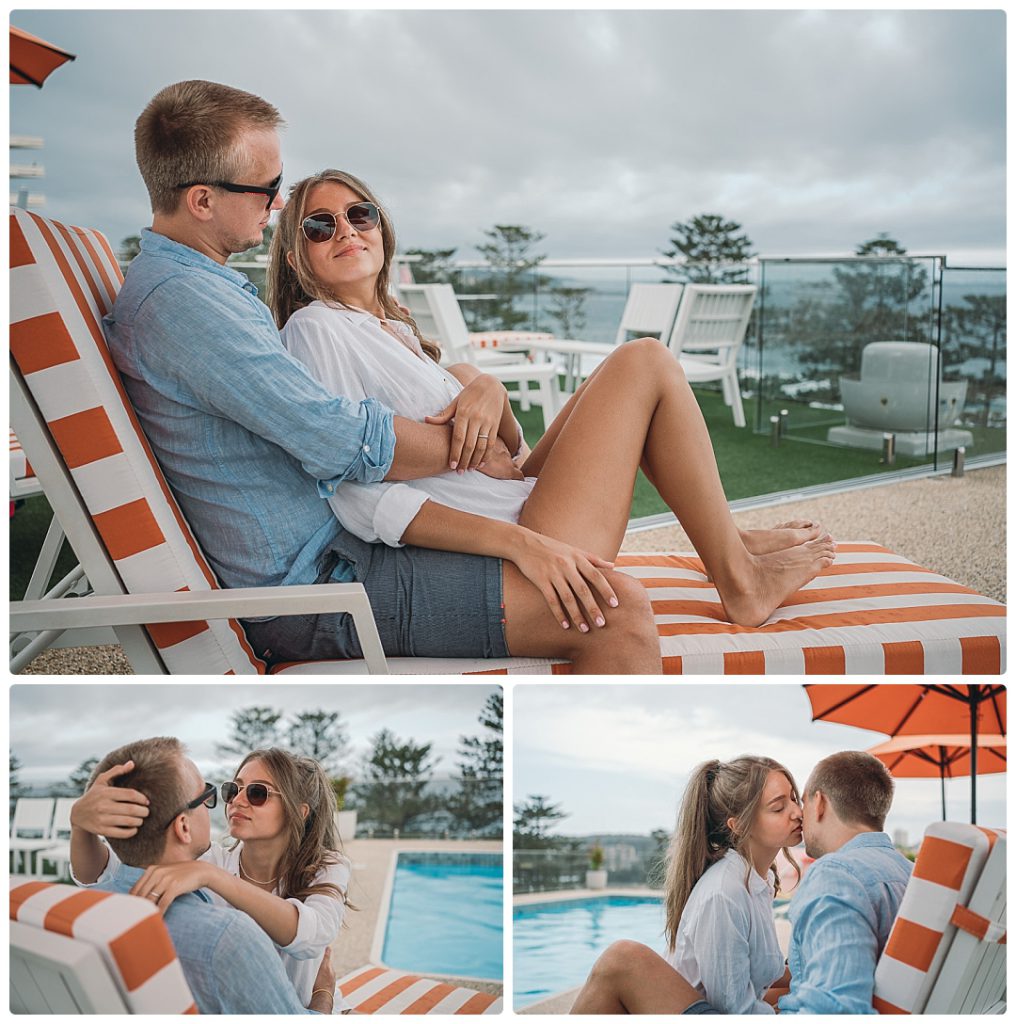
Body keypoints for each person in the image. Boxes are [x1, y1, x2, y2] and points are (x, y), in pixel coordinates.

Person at [265, 169, 836, 672]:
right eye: (320, 225)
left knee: (619, 373)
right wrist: (520, 544)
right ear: (297, 258)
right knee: (644, 362)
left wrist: (488, 388)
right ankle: (740, 579)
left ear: (381, 231)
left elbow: (508, 452)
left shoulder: (393, 330)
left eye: (358, 214)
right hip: (513, 534)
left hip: (514, 497)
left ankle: (727, 539)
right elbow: (350, 489)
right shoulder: (317, 328)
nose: (345, 230)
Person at [569, 750, 911, 1015]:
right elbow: (731, 1007)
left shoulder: (758, 883)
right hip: (708, 1009)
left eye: (795, 798)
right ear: (738, 825)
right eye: (779, 807)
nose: (797, 812)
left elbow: (768, 982)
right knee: (623, 957)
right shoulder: (725, 891)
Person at [70, 746, 349, 1009]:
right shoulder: (210, 861)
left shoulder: (326, 867)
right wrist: (80, 826)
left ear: (298, 812)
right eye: (233, 789)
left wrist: (213, 877)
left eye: (257, 793)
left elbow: (311, 937)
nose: (237, 801)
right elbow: (105, 872)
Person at [778, 750, 912, 1014]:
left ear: (820, 803)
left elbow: (836, 1010)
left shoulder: (836, 876)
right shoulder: (911, 872)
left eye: (803, 802)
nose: (799, 817)